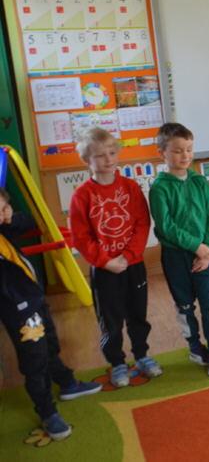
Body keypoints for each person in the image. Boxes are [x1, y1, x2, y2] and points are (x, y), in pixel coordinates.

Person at [0, 188, 101, 440]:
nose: (2, 215)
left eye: (3, 208)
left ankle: (66, 383)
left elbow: (28, 223)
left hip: (34, 299)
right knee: (34, 360)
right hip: (18, 309)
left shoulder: (4, 226)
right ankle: (47, 412)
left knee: (50, 345)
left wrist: (9, 217)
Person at [69, 128, 162, 387]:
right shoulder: (82, 195)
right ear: (87, 160)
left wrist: (129, 255)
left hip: (133, 266)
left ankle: (142, 356)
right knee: (110, 321)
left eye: (112, 153)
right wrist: (106, 261)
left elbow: (142, 223)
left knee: (138, 315)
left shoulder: (130, 187)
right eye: (100, 155)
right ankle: (117, 363)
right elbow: (80, 238)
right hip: (105, 270)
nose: (108, 159)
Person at [149, 123, 209, 377]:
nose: (185, 155)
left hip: (204, 255)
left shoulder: (200, 182)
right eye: (178, 150)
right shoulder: (160, 187)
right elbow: (166, 226)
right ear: (162, 153)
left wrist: (207, 249)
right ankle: (194, 346)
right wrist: (197, 246)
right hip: (175, 257)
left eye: (189, 149)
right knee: (184, 305)